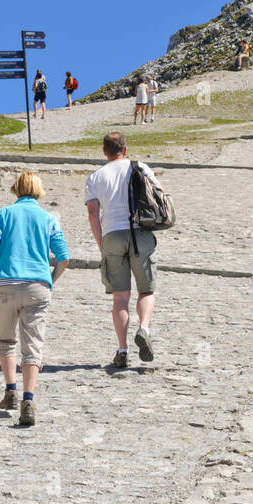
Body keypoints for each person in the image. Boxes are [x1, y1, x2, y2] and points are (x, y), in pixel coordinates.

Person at [0, 171, 69, 426]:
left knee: (6, 339)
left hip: (5, 284)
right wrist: (50, 279)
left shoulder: (4, 214)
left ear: (16, 188)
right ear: (39, 191)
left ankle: (10, 390)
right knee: (33, 345)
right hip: (37, 286)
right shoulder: (47, 218)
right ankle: (28, 400)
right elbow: (63, 256)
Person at [85, 131, 164, 369]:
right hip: (140, 233)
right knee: (146, 290)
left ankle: (122, 350)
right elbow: (161, 193)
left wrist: (101, 243)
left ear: (104, 152)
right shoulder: (140, 167)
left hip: (112, 235)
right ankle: (144, 328)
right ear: (125, 150)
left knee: (120, 298)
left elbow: (92, 214)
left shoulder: (95, 177)